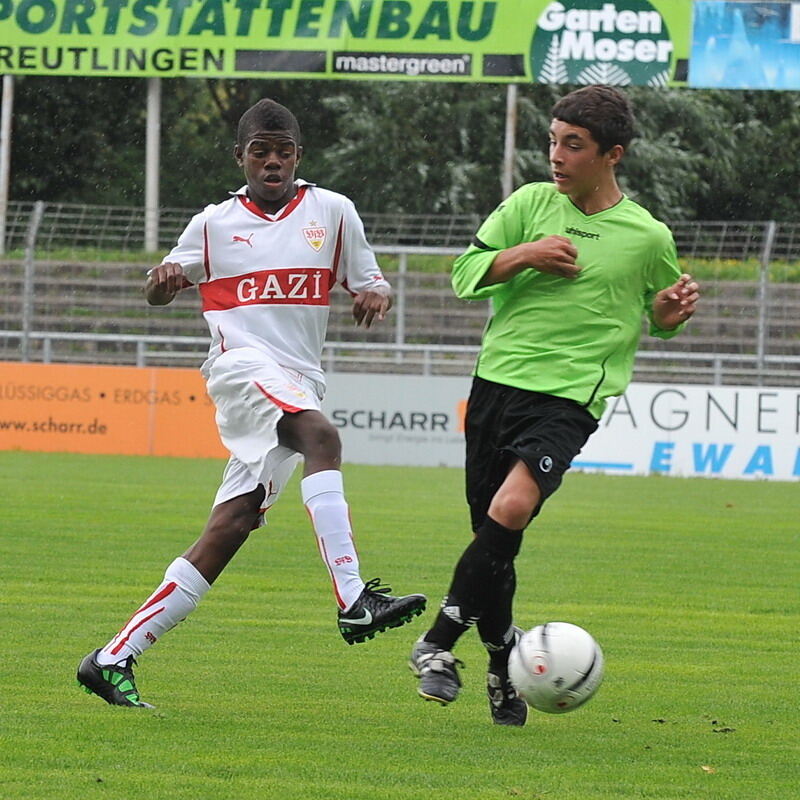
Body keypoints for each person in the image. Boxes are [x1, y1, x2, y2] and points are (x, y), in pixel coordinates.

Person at [77, 98, 426, 708]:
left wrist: (377, 295)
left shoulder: (333, 212)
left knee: (231, 525)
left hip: (298, 378)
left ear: (298, 155)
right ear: (241, 157)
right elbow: (161, 284)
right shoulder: (212, 224)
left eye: (283, 150)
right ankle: (353, 600)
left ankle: (113, 657)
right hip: (241, 369)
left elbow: (371, 280)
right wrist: (158, 283)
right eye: (260, 151)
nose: (272, 160)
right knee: (323, 439)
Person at [408, 85, 699, 726]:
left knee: (509, 508)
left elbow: (659, 308)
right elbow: (464, 275)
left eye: (573, 144)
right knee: (494, 542)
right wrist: (525, 255)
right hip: (496, 386)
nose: (556, 156)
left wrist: (668, 314)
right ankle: (501, 666)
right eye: (552, 140)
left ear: (611, 155)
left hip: (571, 397)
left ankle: (435, 644)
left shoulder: (646, 235)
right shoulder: (530, 204)